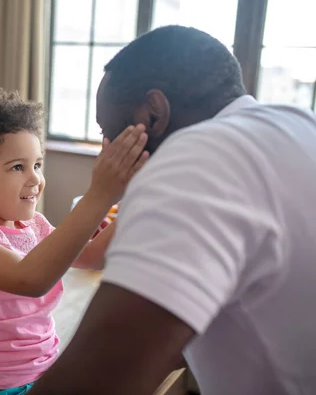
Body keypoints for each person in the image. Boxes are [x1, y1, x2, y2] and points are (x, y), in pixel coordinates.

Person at [28, 25, 316, 395]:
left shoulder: (197, 160)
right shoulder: (299, 125)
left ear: (153, 114)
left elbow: (101, 374)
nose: (107, 149)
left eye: (109, 131)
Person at [0, 88, 148, 395]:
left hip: (42, 367)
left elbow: (90, 256)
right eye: (18, 167)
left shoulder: (35, 224)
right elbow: (28, 278)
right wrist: (100, 195)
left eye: (37, 165)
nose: (35, 179)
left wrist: (138, 200)